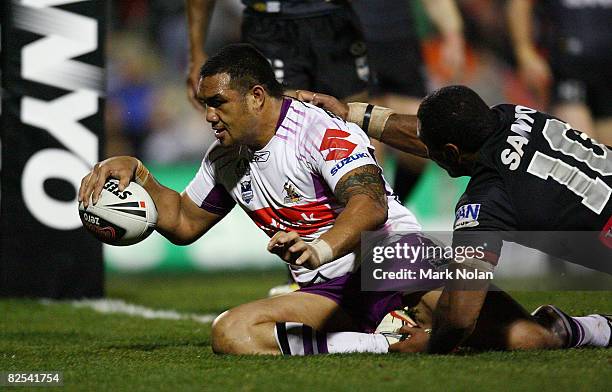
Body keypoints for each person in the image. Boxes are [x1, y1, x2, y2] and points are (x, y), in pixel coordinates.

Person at [80, 45, 603, 355]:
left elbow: (369, 204)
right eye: (204, 104)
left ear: (257, 95)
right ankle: (381, 341)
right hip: (327, 289)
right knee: (231, 333)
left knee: (531, 340)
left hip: (393, 259)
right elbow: (185, 222)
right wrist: (135, 176)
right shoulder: (224, 158)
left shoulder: (317, 130)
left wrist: (322, 247)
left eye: (218, 102)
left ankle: (574, 326)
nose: (209, 114)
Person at [296, 85, 612, 353]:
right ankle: (590, 328)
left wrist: (431, 343)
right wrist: (352, 113)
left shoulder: (485, 202)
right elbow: (435, 138)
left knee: (521, 333)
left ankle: (585, 329)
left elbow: (461, 316)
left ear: (450, 152)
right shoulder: (512, 115)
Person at [351, 0, 465, 202]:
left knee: (422, 140)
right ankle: (377, 216)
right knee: (367, 139)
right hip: (354, 39)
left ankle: (395, 205)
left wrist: (453, 36)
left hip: (401, 43)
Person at [186, 0, 370, 111]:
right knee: (282, 120)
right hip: (269, 26)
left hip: (334, 17)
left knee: (355, 119)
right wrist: (196, 53)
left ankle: (370, 176)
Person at [507, 0, 612, 146]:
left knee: (607, 160)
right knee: (581, 147)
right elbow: (520, 4)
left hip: (606, 71)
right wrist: (524, 51)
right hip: (568, 69)